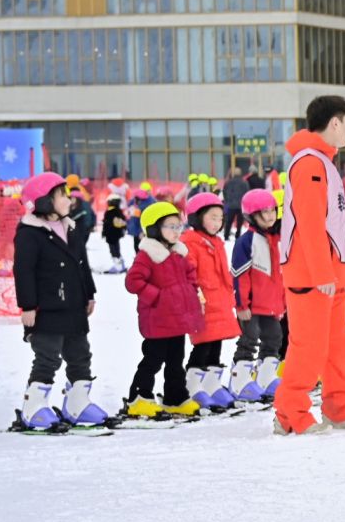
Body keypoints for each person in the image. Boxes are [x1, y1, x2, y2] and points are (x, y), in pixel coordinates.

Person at [273, 95, 345, 436]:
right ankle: (289, 413)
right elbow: (310, 223)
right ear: (336, 122)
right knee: (308, 347)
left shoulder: (321, 161)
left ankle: (339, 408)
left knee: (336, 346)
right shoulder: (310, 163)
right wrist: (321, 273)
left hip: (329, 276)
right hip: (313, 276)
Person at [12, 173, 107, 430]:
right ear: (44, 201)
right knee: (47, 357)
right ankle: (34, 407)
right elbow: (24, 271)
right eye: (62, 195)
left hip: (74, 305)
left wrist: (89, 293)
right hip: (46, 309)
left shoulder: (71, 227)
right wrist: (28, 305)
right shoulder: (29, 233)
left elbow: (81, 264)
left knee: (80, 355)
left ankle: (78, 403)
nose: (69, 199)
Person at [124, 202, 204, 418]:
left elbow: (191, 276)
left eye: (179, 226)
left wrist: (191, 292)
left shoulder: (179, 254)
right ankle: (139, 398)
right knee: (153, 360)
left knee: (176, 362)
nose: (177, 231)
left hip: (177, 321)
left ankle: (175, 397)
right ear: (154, 229)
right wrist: (157, 296)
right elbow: (133, 281)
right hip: (157, 320)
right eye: (170, 226)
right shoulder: (148, 255)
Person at [180, 192, 240, 411]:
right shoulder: (190, 242)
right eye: (212, 218)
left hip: (220, 300)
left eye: (220, 218)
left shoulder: (216, 242)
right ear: (197, 218)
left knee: (216, 344)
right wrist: (197, 296)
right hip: (204, 302)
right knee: (202, 346)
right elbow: (189, 273)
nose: (217, 223)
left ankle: (212, 384)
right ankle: (193, 386)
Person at [228, 188, 286, 404]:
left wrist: (282, 303)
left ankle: (265, 378)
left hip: (272, 305)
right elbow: (239, 275)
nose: (270, 216)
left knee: (274, 339)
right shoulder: (246, 241)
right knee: (248, 340)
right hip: (251, 306)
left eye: (273, 211)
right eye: (264, 213)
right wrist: (241, 304)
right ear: (251, 215)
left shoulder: (277, 238)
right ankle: (239, 380)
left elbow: (280, 275)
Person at [100, 193, 130, 273]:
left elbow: (107, 224)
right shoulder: (118, 211)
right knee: (116, 249)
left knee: (113, 250)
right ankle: (120, 265)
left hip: (111, 235)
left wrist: (104, 232)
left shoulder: (110, 212)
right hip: (116, 234)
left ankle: (118, 267)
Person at [222, 167, 249, 238]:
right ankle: (238, 235)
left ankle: (226, 235)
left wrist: (227, 200)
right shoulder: (244, 182)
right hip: (240, 205)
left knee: (229, 221)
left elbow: (224, 192)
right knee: (239, 222)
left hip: (231, 205)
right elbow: (247, 193)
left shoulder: (228, 182)